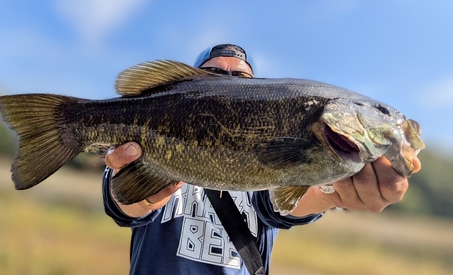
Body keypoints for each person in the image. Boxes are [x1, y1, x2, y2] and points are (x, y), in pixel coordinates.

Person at [102, 44, 422, 275]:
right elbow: (123, 201)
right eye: (213, 74)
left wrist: (333, 195)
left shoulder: (264, 174)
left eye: (242, 79)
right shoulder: (143, 150)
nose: (228, 80)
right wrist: (137, 196)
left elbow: (285, 205)